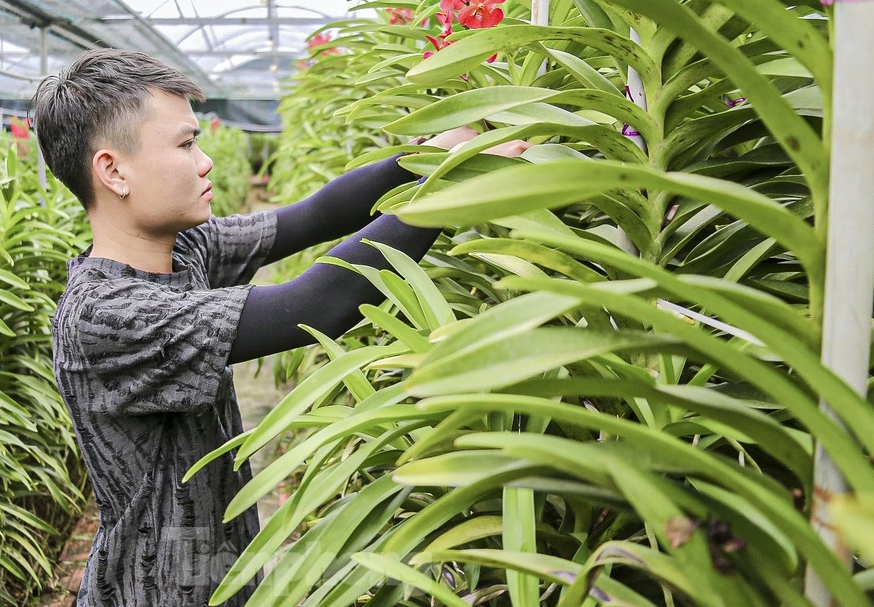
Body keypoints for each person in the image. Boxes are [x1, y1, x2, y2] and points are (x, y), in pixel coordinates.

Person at [30, 48, 528, 607]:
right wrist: (450, 193)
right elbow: (317, 305)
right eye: (185, 144)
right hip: (156, 592)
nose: (205, 162)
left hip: (223, 572)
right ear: (113, 170)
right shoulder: (105, 316)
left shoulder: (181, 249)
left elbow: (314, 216)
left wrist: (443, 147)